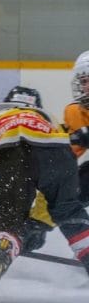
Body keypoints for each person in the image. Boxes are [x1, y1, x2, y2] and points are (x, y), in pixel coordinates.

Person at [0, 86, 89, 303]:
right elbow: (56, 183)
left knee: (9, 225)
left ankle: (1, 250)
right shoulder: (48, 118)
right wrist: (38, 223)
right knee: (70, 214)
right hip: (57, 152)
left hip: (11, 150)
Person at [63, 50, 89, 205]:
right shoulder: (76, 111)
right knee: (70, 188)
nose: (86, 87)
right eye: (84, 81)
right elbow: (68, 154)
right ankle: (38, 222)